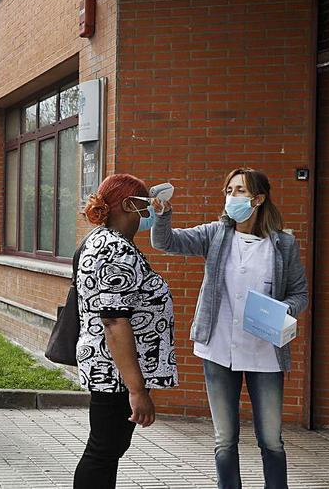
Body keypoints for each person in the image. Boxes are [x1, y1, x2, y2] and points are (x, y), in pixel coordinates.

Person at [151, 168, 307, 489]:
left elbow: (300, 294)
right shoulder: (216, 234)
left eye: (239, 191)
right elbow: (166, 242)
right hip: (219, 349)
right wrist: (163, 214)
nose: (231, 197)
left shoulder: (284, 244)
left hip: (266, 353)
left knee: (271, 439)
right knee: (225, 440)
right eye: (229, 190)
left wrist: (280, 311)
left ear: (258, 199)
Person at [72, 174, 178, 489]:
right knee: (103, 450)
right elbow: (114, 321)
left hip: (115, 369)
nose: (147, 216)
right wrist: (137, 391)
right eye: (143, 207)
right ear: (127, 205)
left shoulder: (109, 242)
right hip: (116, 372)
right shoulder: (112, 248)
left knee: (109, 448)